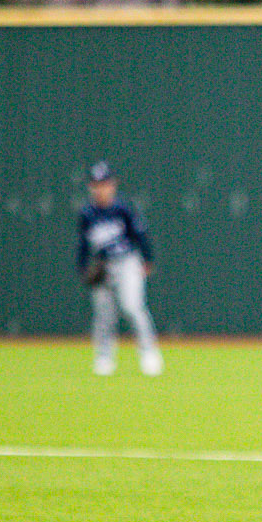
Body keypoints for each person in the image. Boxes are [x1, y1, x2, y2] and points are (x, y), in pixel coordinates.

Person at [77, 161, 163, 376]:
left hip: (127, 262)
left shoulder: (122, 208)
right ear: (91, 186)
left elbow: (140, 234)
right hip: (102, 265)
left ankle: (149, 353)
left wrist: (147, 259)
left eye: (105, 184)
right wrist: (83, 267)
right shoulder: (87, 213)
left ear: (113, 185)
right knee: (103, 314)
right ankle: (104, 357)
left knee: (132, 306)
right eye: (97, 184)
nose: (101, 188)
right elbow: (83, 244)